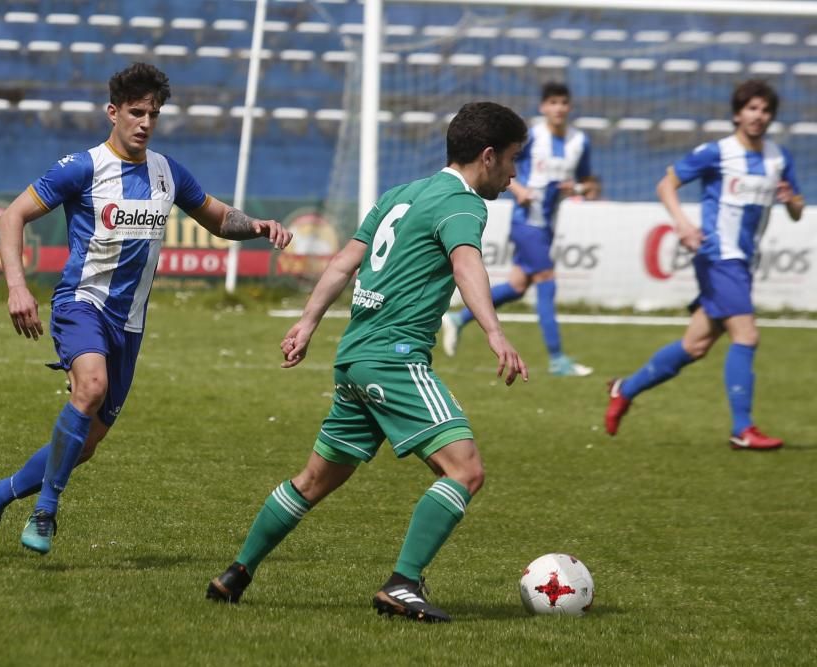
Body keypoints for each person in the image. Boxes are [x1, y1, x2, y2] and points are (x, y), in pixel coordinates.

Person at [206, 102, 529, 623]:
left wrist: (308, 322)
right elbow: (466, 261)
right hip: (395, 360)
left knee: (315, 480)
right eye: (514, 160)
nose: (515, 174)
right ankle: (403, 584)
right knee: (465, 471)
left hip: (354, 358)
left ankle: (236, 573)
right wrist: (494, 331)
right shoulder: (464, 204)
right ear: (487, 156)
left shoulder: (400, 195)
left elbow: (344, 262)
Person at [0, 63, 292, 557]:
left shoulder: (166, 172)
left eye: (153, 114)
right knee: (90, 386)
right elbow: (13, 215)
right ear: (113, 112)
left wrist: (260, 226)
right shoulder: (83, 167)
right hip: (81, 304)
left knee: (87, 444)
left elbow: (219, 218)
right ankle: (46, 511)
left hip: (130, 323)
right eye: (136, 112)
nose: (144, 122)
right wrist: (17, 287)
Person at [605, 80, 804, 450]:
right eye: (752, 109)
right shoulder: (717, 152)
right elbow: (666, 184)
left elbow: (796, 211)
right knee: (746, 335)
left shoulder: (779, 158)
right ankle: (742, 429)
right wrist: (682, 223)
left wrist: (792, 200)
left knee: (695, 345)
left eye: (765, 110)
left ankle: (625, 388)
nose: (758, 116)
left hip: (743, 261)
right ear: (737, 113)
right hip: (717, 255)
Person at [440, 82, 596, 377]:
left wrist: (575, 187)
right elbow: (502, 165)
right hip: (527, 221)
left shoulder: (579, 141)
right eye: (552, 102)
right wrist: (520, 189)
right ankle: (557, 359)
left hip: (548, 223)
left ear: (570, 107)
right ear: (543, 107)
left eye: (563, 102)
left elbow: (589, 183)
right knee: (547, 281)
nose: (558, 108)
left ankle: (458, 319)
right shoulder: (534, 136)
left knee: (517, 286)